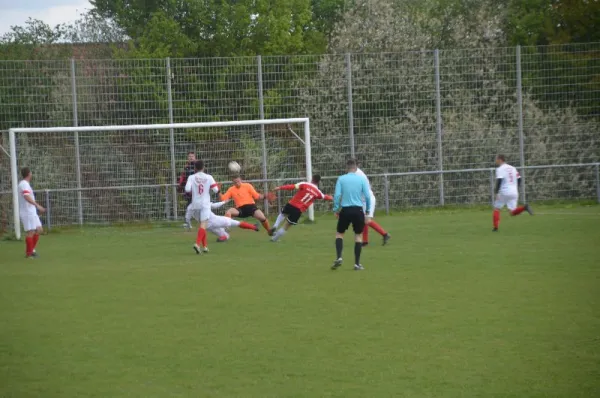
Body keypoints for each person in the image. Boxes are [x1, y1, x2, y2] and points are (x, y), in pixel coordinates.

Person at [332, 159, 372, 271]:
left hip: (345, 210)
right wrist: (368, 210)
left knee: (339, 234)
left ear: (347, 168)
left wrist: (336, 209)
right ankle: (357, 264)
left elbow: (337, 195)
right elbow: (368, 196)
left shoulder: (341, 179)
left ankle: (339, 257)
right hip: (358, 210)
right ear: (356, 168)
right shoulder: (361, 179)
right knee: (358, 236)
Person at [269, 175, 333, 242]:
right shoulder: (318, 192)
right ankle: (274, 239)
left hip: (291, 204)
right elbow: (325, 197)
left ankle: (275, 226)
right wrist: (331, 197)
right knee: (286, 226)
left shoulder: (305, 184)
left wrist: (280, 187)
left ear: (312, 179)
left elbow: (292, 186)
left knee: (282, 214)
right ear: (318, 182)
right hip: (298, 210)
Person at [184, 160, 219, 254]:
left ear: (195, 168)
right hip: (205, 204)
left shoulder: (191, 177)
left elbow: (187, 189)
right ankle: (197, 244)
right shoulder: (209, 177)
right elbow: (216, 190)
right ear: (204, 167)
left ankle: (205, 247)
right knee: (203, 225)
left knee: (202, 226)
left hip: (195, 204)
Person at [493, 154, 533, 231]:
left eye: (496, 159)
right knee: (512, 212)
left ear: (500, 159)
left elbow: (499, 181)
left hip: (504, 191)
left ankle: (495, 228)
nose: (496, 160)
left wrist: (496, 192)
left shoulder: (500, 169)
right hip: (514, 192)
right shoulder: (513, 168)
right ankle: (525, 207)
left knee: (496, 208)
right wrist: (515, 188)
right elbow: (519, 179)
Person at [355, 166, 391, 246]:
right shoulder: (355, 173)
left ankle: (385, 234)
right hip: (363, 200)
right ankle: (365, 241)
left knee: (367, 220)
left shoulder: (358, 175)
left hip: (368, 200)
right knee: (363, 220)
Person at [18, 167, 45, 258]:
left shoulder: (26, 184)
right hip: (27, 212)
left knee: (39, 229)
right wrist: (37, 205)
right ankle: (30, 253)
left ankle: (31, 251)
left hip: (32, 211)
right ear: (29, 174)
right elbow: (26, 196)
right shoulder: (24, 184)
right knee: (31, 232)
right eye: (31, 172)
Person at [178, 152, 197, 229]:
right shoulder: (186, 167)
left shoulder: (198, 166)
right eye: (189, 156)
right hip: (189, 190)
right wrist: (180, 186)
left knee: (202, 205)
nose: (191, 158)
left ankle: (207, 219)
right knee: (189, 205)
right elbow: (183, 177)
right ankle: (187, 222)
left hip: (197, 189)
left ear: (195, 157)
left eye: (192, 156)